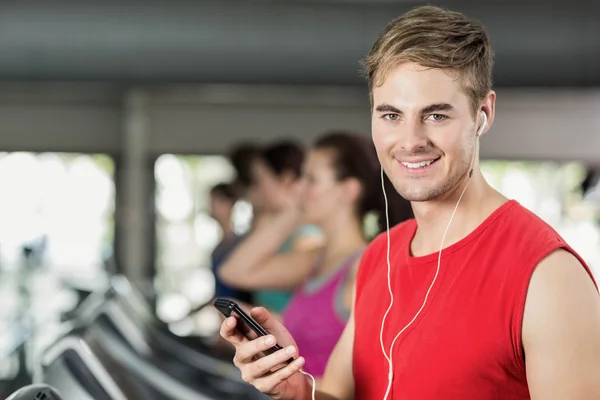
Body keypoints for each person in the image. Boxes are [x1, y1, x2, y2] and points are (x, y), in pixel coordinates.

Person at [219, 5, 600, 400]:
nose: (410, 140)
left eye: (436, 115)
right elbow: (335, 393)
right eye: (391, 115)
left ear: (482, 114)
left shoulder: (548, 275)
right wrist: (297, 388)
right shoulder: (379, 257)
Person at [219, 132, 412, 379]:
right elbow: (234, 271)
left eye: (311, 179)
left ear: (347, 191)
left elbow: (375, 378)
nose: (300, 188)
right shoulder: (314, 260)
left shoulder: (364, 269)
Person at [224, 140, 324, 313]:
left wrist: (293, 208)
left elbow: (232, 272)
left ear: (286, 180)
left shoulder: (308, 236)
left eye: (260, 181)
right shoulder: (277, 231)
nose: (255, 191)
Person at [208, 182, 253, 303]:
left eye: (218, 201)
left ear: (230, 204)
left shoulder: (241, 244)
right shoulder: (218, 248)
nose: (211, 206)